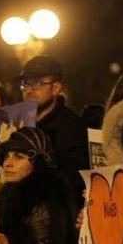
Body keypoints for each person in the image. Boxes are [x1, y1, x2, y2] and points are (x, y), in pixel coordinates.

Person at [18, 56, 89, 191]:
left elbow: (73, 181)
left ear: (56, 88)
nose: (28, 90)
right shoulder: (17, 124)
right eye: (25, 84)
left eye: (37, 84)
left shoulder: (72, 128)